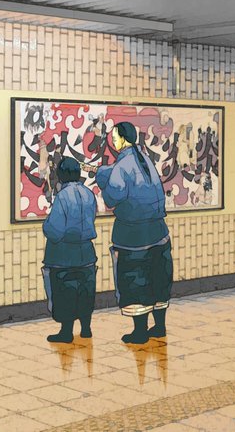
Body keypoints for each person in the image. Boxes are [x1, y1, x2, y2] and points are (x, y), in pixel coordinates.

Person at [95, 122, 173, 344]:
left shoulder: (123, 165)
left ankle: (140, 332)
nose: (113, 140)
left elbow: (112, 198)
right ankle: (159, 326)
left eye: (114, 137)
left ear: (123, 139)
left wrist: (102, 179)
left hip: (133, 237)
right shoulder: (145, 159)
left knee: (135, 281)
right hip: (158, 233)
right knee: (158, 280)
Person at [42, 157, 98, 343]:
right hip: (86, 253)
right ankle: (86, 328)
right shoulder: (88, 194)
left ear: (61, 175)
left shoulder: (63, 197)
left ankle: (66, 332)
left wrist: (45, 225)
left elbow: (54, 230)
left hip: (64, 256)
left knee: (65, 293)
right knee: (85, 292)